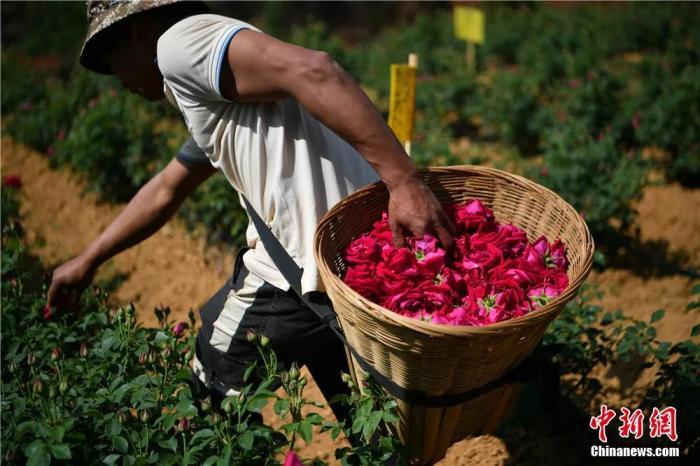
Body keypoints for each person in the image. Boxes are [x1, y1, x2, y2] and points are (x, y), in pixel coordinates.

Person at [48, 0, 455, 422]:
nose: (116, 78)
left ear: (136, 32)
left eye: (109, 58)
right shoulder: (215, 89)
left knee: (206, 401)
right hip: (347, 274)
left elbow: (316, 69)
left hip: (299, 275)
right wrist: (89, 258)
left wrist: (405, 181)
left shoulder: (177, 45)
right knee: (370, 428)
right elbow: (169, 187)